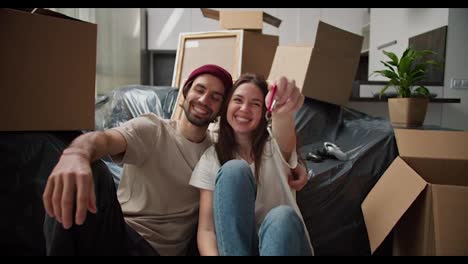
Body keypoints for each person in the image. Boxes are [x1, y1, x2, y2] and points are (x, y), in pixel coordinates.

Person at [42, 65, 309, 256]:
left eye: (216, 97)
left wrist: (298, 158)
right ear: (185, 92)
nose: (205, 100)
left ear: (219, 110)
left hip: (160, 250)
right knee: (91, 169)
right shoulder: (155, 129)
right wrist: (76, 153)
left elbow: (279, 138)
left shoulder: (233, 148)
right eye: (200, 90)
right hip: (121, 234)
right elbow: (105, 140)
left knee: (276, 210)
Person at [189, 73, 314, 256]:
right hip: (237, 250)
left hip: (285, 245)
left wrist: (281, 103)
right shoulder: (211, 158)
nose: (244, 109)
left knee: (281, 217)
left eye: (255, 104)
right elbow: (207, 230)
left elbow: (283, 124)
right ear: (226, 106)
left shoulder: (275, 144)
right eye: (238, 100)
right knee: (234, 170)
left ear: (265, 111)